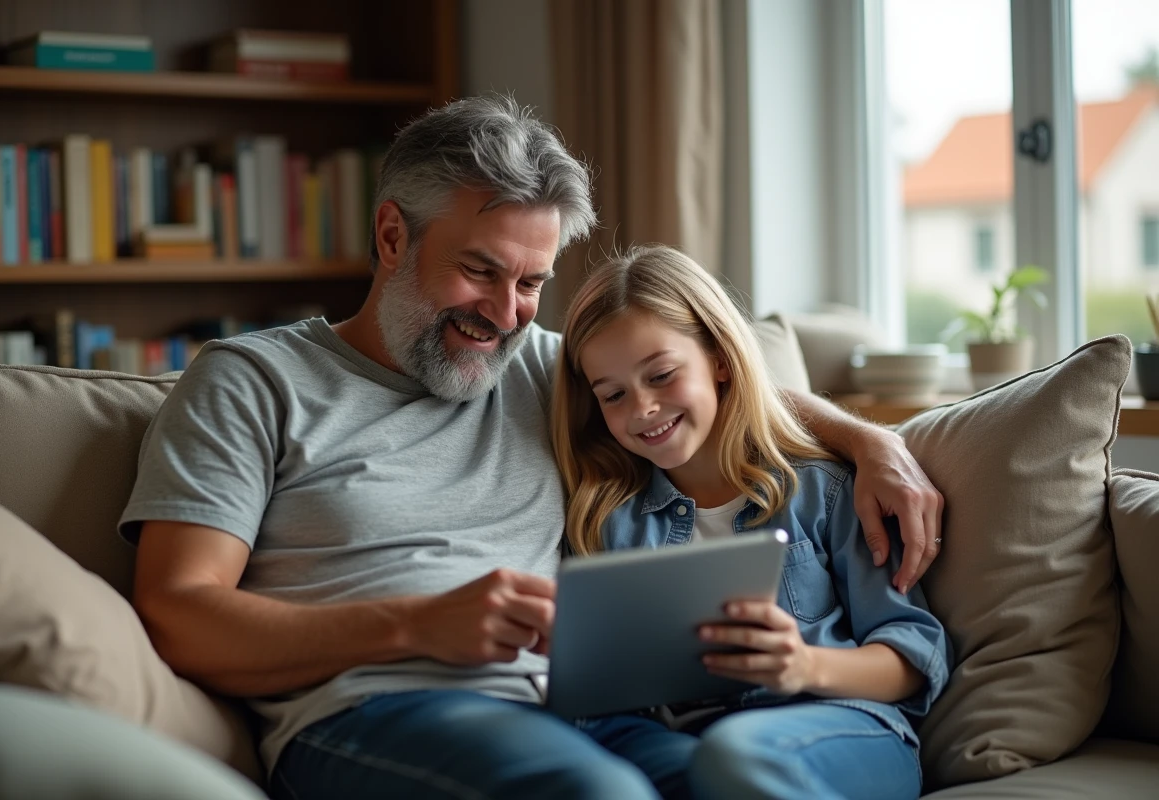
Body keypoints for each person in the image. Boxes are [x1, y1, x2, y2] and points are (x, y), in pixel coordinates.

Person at [120, 95, 945, 800]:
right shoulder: (250, 381)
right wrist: (414, 626)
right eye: (479, 271)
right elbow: (179, 615)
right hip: (370, 710)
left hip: (578, 712)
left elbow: (713, 385)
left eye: (531, 282)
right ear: (392, 236)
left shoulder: (541, 366)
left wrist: (869, 441)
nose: (506, 313)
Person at [551, 244, 952, 800]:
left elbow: (913, 650)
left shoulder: (821, 490)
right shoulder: (608, 520)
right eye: (613, 394)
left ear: (719, 359)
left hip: (842, 724)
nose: (641, 407)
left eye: (662, 375)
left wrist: (805, 665)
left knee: (734, 756)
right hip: (684, 741)